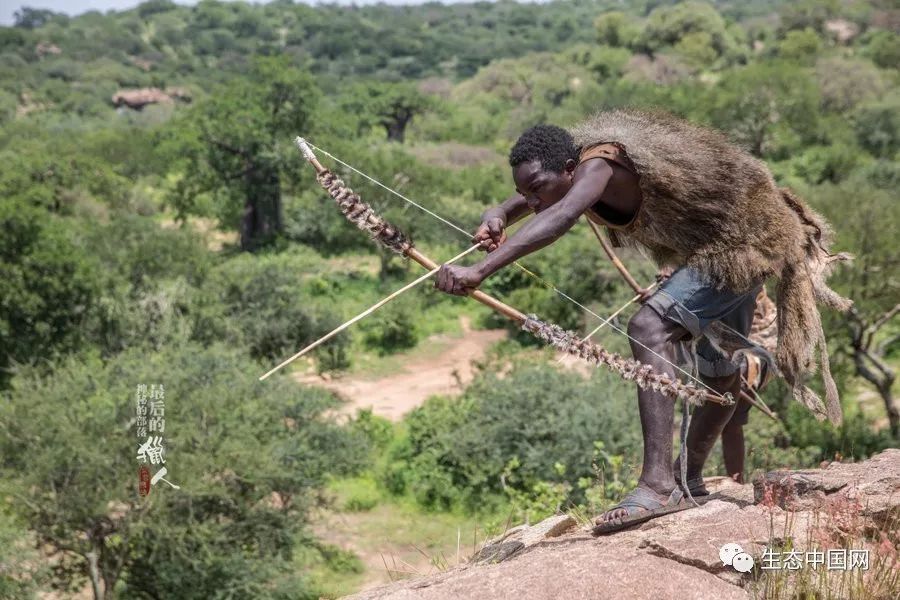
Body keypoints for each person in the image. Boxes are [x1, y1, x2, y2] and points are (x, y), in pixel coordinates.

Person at [433, 110, 850, 532]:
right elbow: (542, 196)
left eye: (537, 189)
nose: (534, 201)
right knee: (720, 372)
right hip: (735, 239)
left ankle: (657, 484)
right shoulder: (570, 165)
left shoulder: (598, 166)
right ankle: (686, 479)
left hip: (743, 243)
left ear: (570, 169)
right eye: (526, 193)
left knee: (649, 328)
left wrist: (480, 272)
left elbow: (559, 217)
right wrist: (501, 213)